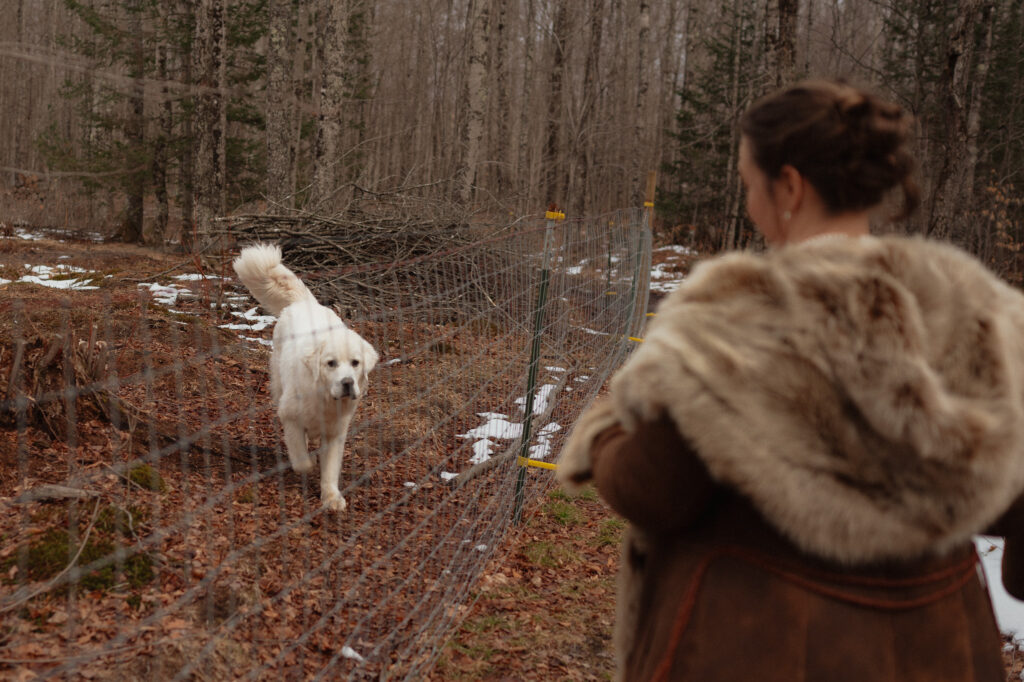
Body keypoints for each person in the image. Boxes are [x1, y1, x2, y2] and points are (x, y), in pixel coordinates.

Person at [557, 79, 1024, 682]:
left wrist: (602, 436)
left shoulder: (738, 315)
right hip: (943, 646)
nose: (750, 202)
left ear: (790, 187)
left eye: (750, 184)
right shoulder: (980, 310)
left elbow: (656, 491)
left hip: (760, 643)